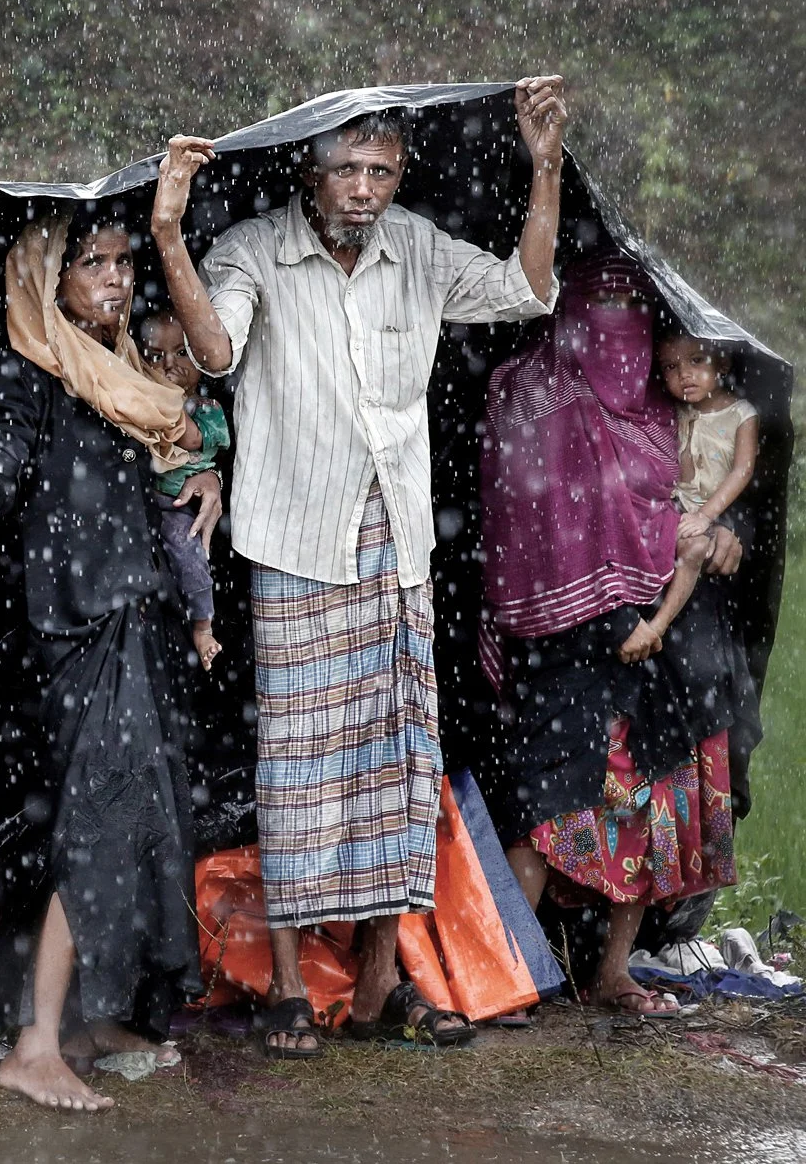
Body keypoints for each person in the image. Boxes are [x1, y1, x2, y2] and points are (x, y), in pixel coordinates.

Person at [148, 77, 570, 1057]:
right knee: (300, 767)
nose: (364, 188)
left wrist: (544, 165)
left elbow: (526, 289)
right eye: (346, 169)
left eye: (380, 170)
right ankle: (292, 988)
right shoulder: (254, 249)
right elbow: (215, 349)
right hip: (298, 543)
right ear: (309, 170)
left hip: (397, 544)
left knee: (395, 763)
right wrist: (168, 233)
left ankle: (381, 984)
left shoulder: (414, 247)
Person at [0, 205, 221, 1111]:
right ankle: (35, 1043)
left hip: (136, 620)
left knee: (135, 821)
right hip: (75, 631)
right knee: (101, 823)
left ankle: (85, 1020)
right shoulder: (30, 371)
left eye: (124, 263)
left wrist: (203, 471)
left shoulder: (120, 372)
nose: (117, 279)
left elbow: (168, 455)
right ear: (50, 281)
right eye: (94, 263)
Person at [482, 252, 741, 1016]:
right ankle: (506, 974)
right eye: (604, 308)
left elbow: (695, 497)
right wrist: (602, 597)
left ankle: (613, 971)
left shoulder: (666, 410)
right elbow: (524, 520)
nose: (617, 330)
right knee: (544, 803)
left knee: (649, 800)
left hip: (659, 636)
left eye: (633, 311)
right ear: (570, 313)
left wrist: (716, 535)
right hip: (561, 636)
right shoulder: (530, 393)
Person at [628, 333, 761, 661]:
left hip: (709, 511)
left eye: (696, 361)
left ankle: (659, 625)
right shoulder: (673, 411)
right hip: (672, 506)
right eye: (670, 367)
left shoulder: (741, 413)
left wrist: (706, 515)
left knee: (696, 549)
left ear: (722, 364)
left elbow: (742, 470)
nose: (684, 375)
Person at [137, 313, 229, 670]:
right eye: (155, 355)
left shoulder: (207, 409)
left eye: (180, 353)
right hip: (145, 505)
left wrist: (154, 394)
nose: (168, 364)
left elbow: (189, 438)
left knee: (187, 549)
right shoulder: (141, 403)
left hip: (179, 505)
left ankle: (203, 625)